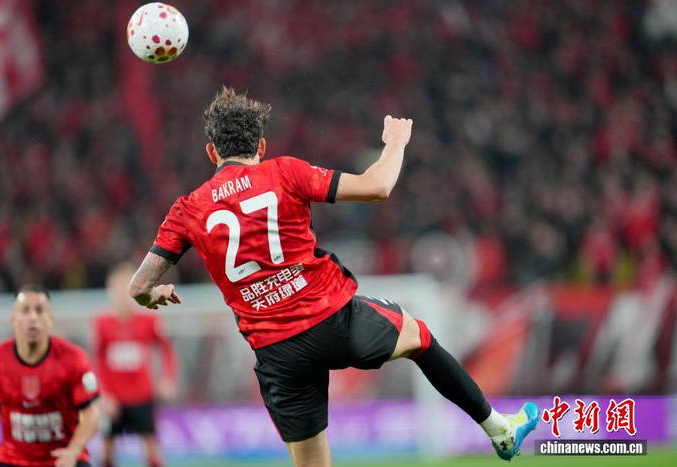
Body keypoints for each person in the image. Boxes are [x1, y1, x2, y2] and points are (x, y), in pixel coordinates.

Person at [128, 87, 539, 466]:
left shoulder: (188, 209)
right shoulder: (284, 172)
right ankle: (499, 429)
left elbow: (138, 287)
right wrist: (396, 142)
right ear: (262, 146)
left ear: (212, 152)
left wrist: (154, 295)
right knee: (421, 339)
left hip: (277, 353)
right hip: (332, 320)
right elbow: (377, 187)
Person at [0, 284, 100, 467]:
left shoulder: (74, 358)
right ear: (14, 319)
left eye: (39, 310)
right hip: (11, 458)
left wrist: (73, 451)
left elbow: (92, 415)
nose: (33, 317)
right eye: (25, 310)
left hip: (62, 457)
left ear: (50, 319)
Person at [93, 263, 177, 467]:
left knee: (152, 452)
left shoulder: (149, 320)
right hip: (114, 400)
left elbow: (167, 350)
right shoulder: (102, 324)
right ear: (110, 290)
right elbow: (98, 361)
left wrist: (168, 378)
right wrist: (104, 395)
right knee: (106, 454)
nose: (122, 294)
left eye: (126, 287)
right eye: (118, 288)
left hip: (142, 396)